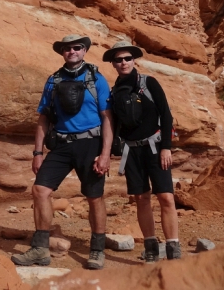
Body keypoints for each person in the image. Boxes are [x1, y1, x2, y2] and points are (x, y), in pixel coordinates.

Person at [11, 34, 114, 270]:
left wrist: (106, 153)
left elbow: (107, 117)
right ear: (62, 53)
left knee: (94, 197)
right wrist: (38, 152)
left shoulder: (96, 79)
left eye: (77, 48)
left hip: (90, 144)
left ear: (84, 51)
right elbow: (43, 118)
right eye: (67, 49)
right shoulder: (53, 80)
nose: (72, 51)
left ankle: (97, 250)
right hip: (61, 145)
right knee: (40, 190)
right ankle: (40, 248)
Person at [104, 39, 181, 262]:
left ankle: (173, 248)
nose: (123, 62)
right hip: (132, 151)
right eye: (118, 60)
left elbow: (165, 115)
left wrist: (166, 147)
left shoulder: (149, 83)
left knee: (166, 197)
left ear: (134, 60)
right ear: (113, 64)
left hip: (155, 147)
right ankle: (150, 247)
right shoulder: (115, 91)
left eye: (127, 58)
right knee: (141, 198)